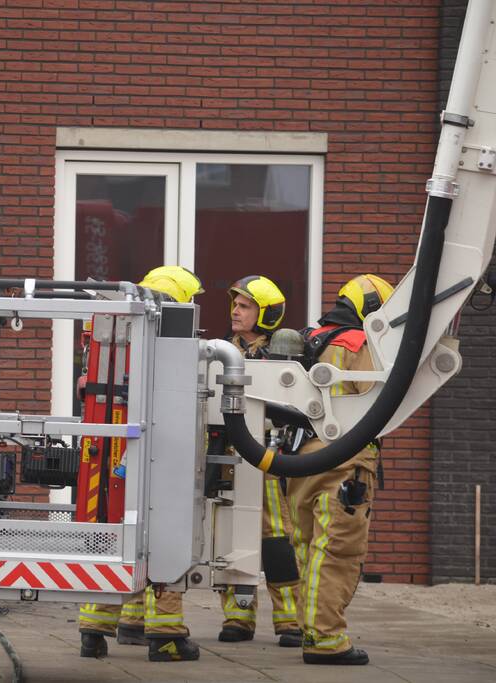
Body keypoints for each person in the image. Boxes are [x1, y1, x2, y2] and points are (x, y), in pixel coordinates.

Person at [78, 265, 202, 663]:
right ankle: (166, 638)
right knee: (165, 538)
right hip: (158, 456)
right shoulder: (166, 335)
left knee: (117, 540)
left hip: (113, 455)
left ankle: (93, 631)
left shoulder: (114, 330)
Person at [287, 274, 393, 665]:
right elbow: (377, 400)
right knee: (337, 551)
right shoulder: (359, 345)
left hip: (298, 459)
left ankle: (308, 625)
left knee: (307, 547)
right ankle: (325, 637)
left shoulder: (310, 339)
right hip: (345, 462)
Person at [217, 276, 303, 648]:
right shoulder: (219, 351)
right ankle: (238, 616)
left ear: (265, 314)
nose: (236, 311)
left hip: (267, 461)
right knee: (230, 534)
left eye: (245, 306)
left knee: (276, 538)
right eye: (235, 304)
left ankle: (289, 620)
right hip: (227, 459)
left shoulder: (278, 358)